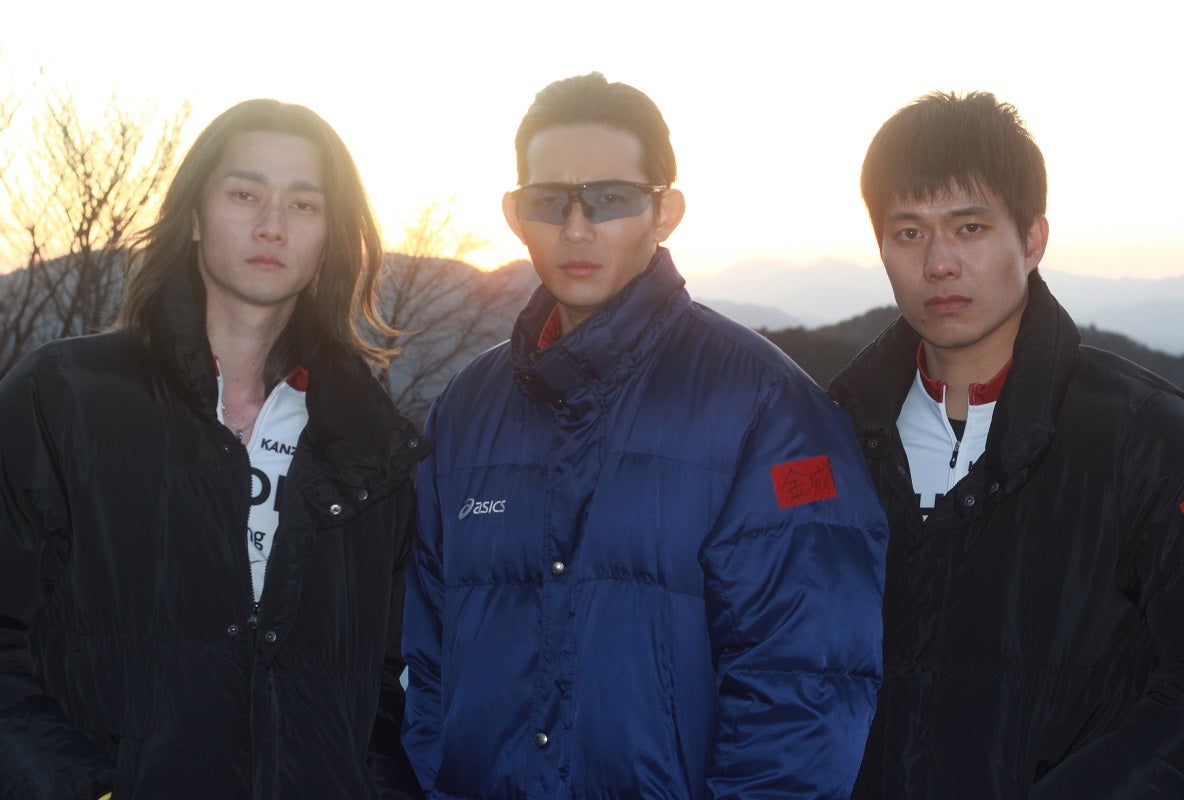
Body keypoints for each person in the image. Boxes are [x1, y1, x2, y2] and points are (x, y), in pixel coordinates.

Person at [402, 71, 889, 799]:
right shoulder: (468, 410)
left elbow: (804, 688)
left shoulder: (770, 411)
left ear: (665, 212)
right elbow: (427, 658)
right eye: (549, 201)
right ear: (514, 214)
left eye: (610, 199)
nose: (576, 228)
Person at [0, 99, 427, 799]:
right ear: (195, 216)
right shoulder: (63, 398)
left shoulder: (369, 447)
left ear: (329, 237)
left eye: (304, 205)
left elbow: (387, 686)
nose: (272, 225)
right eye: (244, 194)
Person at [829, 91, 1184, 798]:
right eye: (908, 232)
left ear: (1031, 240)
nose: (938, 262)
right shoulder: (832, 438)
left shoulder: (1145, 437)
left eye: (969, 227)